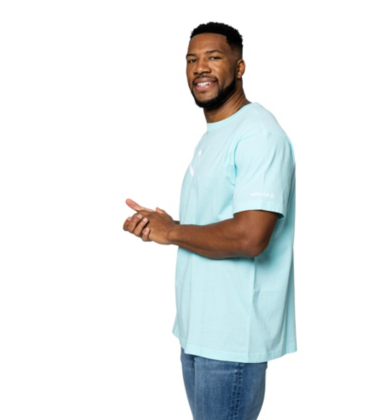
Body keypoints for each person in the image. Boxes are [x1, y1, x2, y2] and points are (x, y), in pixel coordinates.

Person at [123, 22, 297, 420]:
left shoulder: (259, 134)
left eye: (213, 57)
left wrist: (173, 232)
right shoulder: (215, 134)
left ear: (239, 67)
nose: (200, 67)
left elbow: (251, 236)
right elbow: (218, 223)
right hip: (199, 332)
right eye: (191, 60)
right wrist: (167, 225)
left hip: (231, 340)